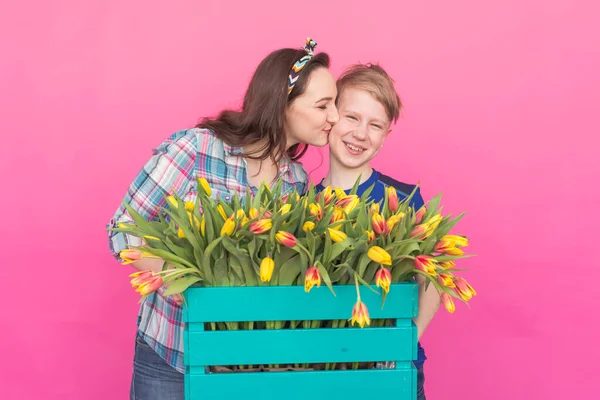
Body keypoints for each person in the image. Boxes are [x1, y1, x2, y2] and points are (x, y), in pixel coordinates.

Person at [107, 38, 339, 400]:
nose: (335, 117)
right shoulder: (196, 150)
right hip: (172, 353)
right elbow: (122, 230)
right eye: (324, 105)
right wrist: (186, 282)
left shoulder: (297, 182)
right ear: (282, 105)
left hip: (241, 366)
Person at [315, 63, 440, 400]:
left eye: (375, 125)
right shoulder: (300, 201)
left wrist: (404, 341)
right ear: (331, 117)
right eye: (351, 117)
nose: (360, 134)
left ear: (386, 135)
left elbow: (432, 282)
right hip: (319, 372)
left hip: (392, 371)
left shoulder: (403, 200)